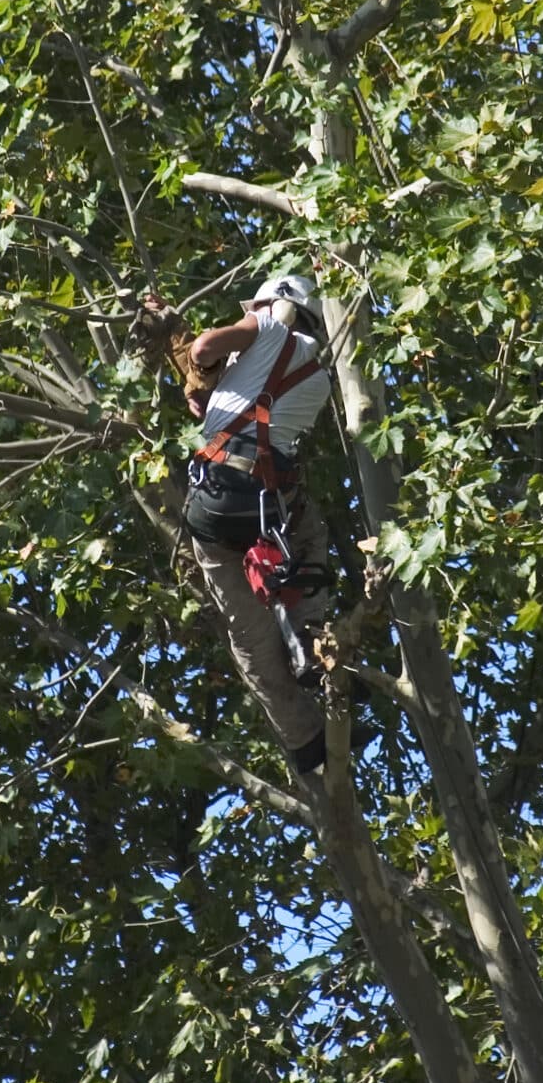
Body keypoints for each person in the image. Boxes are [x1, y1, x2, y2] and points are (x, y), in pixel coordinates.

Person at [181, 275, 333, 776]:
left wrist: (200, 363)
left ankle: (305, 742)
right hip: (269, 503)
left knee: (246, 633)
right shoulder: (322, 380)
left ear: (276, 306)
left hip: (213, 503)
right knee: (309, 541)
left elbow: (204, 345)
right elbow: (266, 420)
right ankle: (315, 643)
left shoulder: (268, 325)